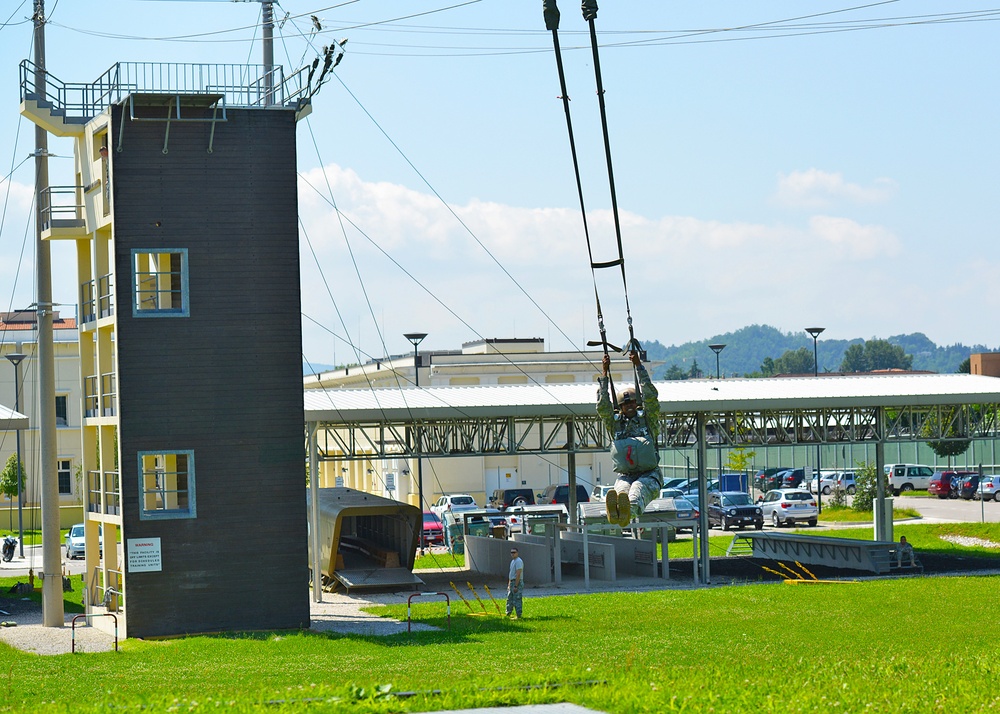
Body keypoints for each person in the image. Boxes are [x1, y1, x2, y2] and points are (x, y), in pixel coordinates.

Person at [597, 350, 662, 527]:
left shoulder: (648, 421)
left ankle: (627, 514)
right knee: (620, 493)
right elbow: (603, 408)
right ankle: (616, 513)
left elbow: (651, 398)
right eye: (625, 404)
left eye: (632, 401)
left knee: (636, 491)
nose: (630, 406)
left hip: (650, 476)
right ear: (620, 407)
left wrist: (639, 366)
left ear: (638, 402)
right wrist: (604, 374)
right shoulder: (615, 425)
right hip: (625, 476)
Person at [506, 547, 524, 619]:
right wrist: (509, 584)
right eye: (511, 552)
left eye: (514, 552)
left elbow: (518, 574)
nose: (512, 554)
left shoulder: (518, 561)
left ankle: (519, 615)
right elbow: (511, 574)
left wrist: (516, 586)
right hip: (512, 582)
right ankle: (508, 614)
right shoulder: (512, 561)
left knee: (517, 599)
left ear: (517, 553)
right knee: (509, 598)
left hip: (517, 582)